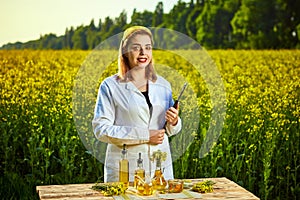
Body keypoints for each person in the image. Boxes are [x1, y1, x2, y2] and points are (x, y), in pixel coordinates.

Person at [92, 26, 182, 183]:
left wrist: (174, 122)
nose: (143, 53)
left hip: (160, 169)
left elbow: (167, 130)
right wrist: (145, 136)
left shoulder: (163, 85)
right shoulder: (110, 86)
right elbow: (101, 130)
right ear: (125, 52)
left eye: (148, 47)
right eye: (136, 48)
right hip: (125, 169)